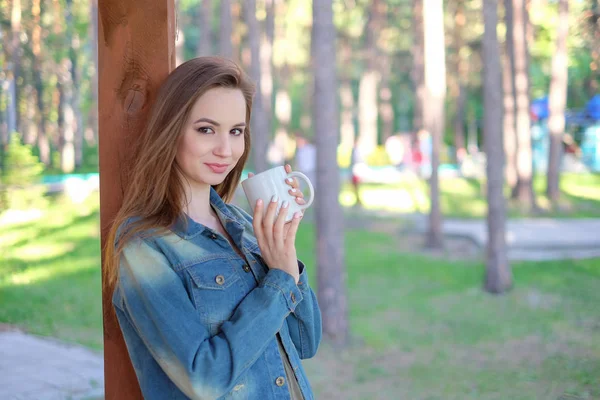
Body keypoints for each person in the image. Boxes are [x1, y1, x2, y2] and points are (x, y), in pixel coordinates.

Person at [104, 56, 322, 400]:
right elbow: (204, 378)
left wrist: (285, 252)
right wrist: (279, 281)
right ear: (171, 129)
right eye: (206, 129)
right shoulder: (144, 246)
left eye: (236, 131)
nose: (226, 149)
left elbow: (305, 342)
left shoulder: (245, 226)